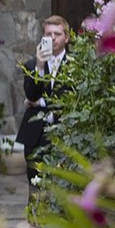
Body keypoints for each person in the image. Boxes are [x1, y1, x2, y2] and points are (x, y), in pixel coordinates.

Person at [19, 14, 71, 186]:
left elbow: (68, 99)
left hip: (64, 134)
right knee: (35, 187)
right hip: (36, 135)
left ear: (67, 38)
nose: (52, 38)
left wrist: (41, 103)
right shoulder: (32, 65)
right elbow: (31, 95)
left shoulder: (76, 65)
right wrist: (40, 67)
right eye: (48, 34)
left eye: (57, 34)